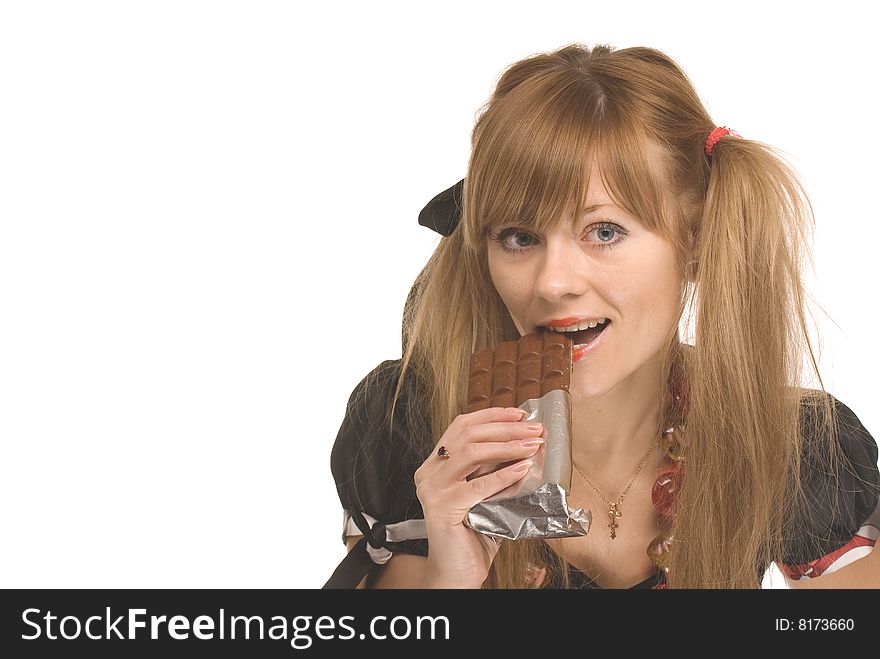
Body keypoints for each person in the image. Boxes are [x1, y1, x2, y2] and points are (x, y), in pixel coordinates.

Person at [324, 43, 879, 589]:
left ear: (695, 242)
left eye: (604, 232)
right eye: (519, 237)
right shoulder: (410, 423)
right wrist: (451, 581)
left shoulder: (797, 444)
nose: (553, 282)